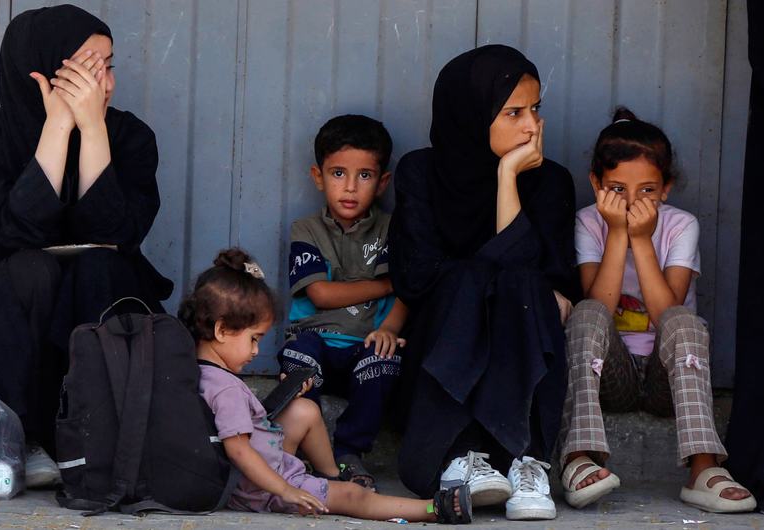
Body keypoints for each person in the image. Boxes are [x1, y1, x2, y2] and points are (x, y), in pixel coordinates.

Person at [0, 4, 172, 486]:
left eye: (109, 68)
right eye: (89, 69)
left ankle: (104, 440)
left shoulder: (131, 138)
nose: (105, 84)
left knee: (99, 268)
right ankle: (17, 438)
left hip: (100, 305)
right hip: (14, 314)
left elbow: (116, 232)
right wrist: (58, 127)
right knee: (30, 268)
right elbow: (11, 233)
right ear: (42, 73)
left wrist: (92, 130)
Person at [388, 44, 578, 521]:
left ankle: (524, 460)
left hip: (521, 342)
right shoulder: (421, 173)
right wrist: (485, 272)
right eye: (513, 112)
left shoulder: (551, 181)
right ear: (470, 114)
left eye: (535, 110)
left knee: (520, 287)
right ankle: (461, 453)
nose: (531, 126)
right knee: (474, 280)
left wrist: (507, 178)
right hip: (441, 351)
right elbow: (417, 279)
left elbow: (552, 286)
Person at [178, 248, 472, 524]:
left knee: (304, 410)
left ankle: (329, 475)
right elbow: (239, 451)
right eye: (253, 339)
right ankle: (435, 508)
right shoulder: (227, 388)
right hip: (264, 487)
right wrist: (285, 490)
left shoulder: (202, 373)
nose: (256, 351)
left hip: (262, 470)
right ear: (221, 330)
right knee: (354, 497)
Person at [560, 108, 757, 513]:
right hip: (609, 377)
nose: (632, 202)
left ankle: (704, 467)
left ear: (666, 188)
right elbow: (598, 304)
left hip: (668, 379)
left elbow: (668, 308)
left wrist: (643, 240)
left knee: (684, 320)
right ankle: (579, 456)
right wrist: (617, 233)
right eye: (617, 189)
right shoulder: (587, 222)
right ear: (596, 184)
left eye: (647, 190)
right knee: (584, 314)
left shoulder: (680, 225)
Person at [279, 114, 406, 490]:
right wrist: (385, 284)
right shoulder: (307, 230)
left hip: (364, 343)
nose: (350, 187)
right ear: (318, 176)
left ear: (382, 182)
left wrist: (389, 328)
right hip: (314, 339)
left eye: (364, 176)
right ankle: (302, 445)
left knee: (384, 362)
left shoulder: (391, 230)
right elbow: (320, 293)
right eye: (338, 174)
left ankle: (349, 452)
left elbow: (411, 290)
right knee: (298, 358)